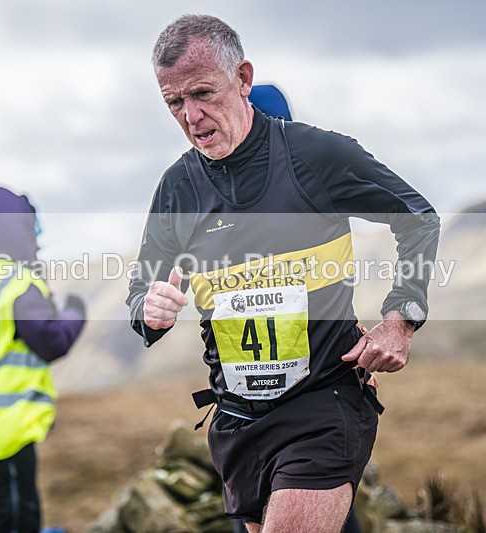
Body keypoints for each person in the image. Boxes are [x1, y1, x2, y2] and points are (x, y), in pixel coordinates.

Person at [126, 15, 440, 532]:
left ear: (243, 79)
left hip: (322, 403)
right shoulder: (177, 187)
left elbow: (417, 218)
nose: (191, 116)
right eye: (174, 103)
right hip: (237, 421)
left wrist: (400, 320)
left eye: (202, 93)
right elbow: (142, 290)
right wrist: (150, 309)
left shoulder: (316, 155)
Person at [0, 186, 86, 533]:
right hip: (4, 433)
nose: (37, 239)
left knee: (16, 511)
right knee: (13, 522)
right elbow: (52, 342)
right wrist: (75, 310)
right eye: (31, 227)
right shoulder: (18, 283)